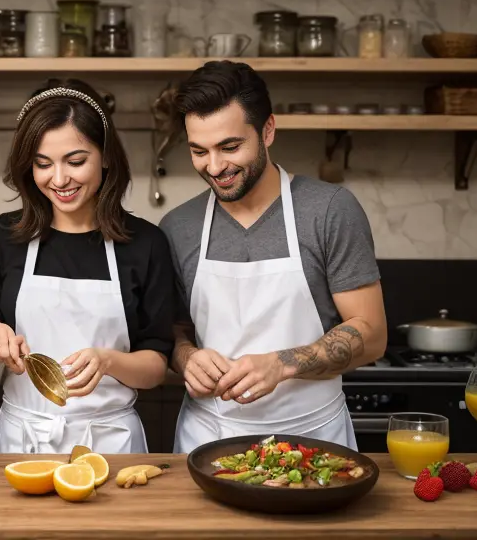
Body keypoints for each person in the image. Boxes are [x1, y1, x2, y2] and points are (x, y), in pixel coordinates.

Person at [160, 61, 387, 454]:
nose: (214, 167)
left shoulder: (329, 210)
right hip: (208, 441)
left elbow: (372, 334)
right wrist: (185, 356)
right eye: (199, 151)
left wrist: (282, 364)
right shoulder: (178, 227)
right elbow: (172, 330)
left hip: (314, 442)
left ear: (267, 130)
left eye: (230, 147)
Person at [0, 79, 176, 454]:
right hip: (21, 441)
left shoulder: (145, 243)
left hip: (111, 443)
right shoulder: (4, 235)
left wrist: (109, 361)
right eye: (43, 164)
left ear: (106, 156)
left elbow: (157, 364)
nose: (59, 180)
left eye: (76, 161)